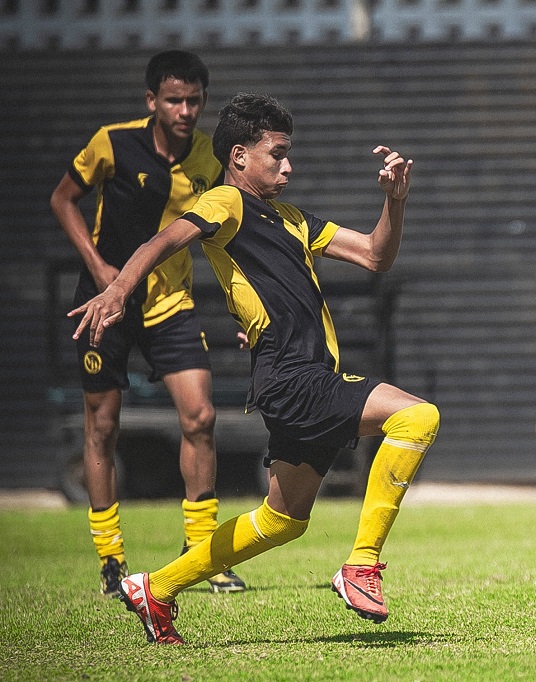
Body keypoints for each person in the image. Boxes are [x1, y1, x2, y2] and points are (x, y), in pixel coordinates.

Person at [69, 92, 439, 644]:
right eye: (277, 154)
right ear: (239, 156)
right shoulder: (226, 202)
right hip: (297, 378)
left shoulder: (291, 218)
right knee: (417, 418)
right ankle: (362, 564)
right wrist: (119, 289)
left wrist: (395, 201)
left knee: (281, 520)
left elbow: (373, 256)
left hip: (296, 377)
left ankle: (156, 588)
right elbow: (166, 239)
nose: (288, 165)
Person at [50, 50, 246, 597]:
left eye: (194, 100)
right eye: (173, 99)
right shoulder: (112, 143)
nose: (184, 110)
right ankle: (112, 559)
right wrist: (98, 268)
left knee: (201, 416)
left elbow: (228, 232)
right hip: (103, 302)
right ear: (151, 102)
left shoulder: (213, 158)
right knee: (103, 426)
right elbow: (62, 199)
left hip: (170, 302)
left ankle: (202, 552)